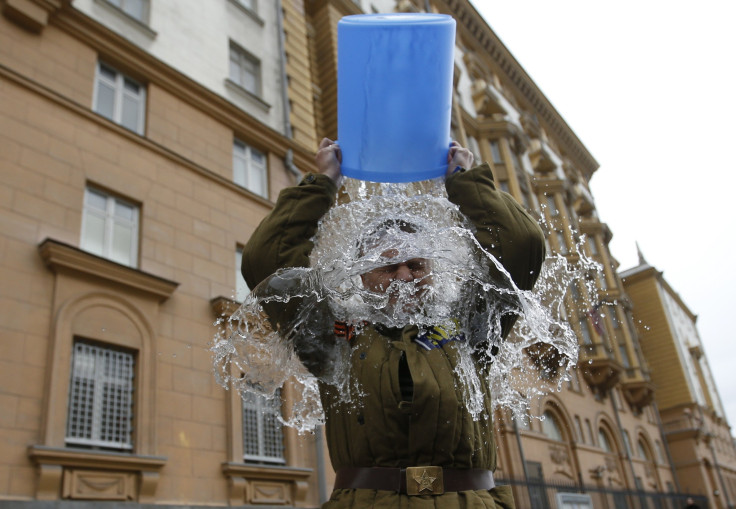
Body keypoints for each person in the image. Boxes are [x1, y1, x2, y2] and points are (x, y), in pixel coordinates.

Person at [242, 138, 546, 509]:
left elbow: (520, 245)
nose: (404, 275)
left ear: (431, 272)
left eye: (416, 265)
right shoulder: (337, 336)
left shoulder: (467, 328)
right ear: (362, 275)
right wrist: (323, 182)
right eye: (389, 266)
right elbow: (266, 262)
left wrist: (464, 181)